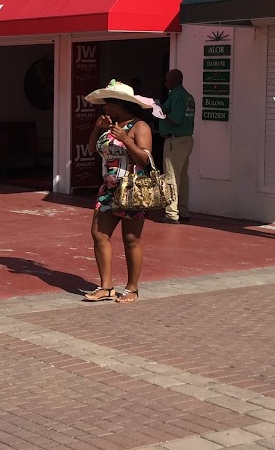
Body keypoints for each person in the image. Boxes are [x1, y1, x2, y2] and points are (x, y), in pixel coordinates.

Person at [82, 80, 156, 304]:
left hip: (133, 189)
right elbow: (92, 148)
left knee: (131, 238)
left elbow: (145, 158)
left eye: (107, 103)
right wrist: (97, 128)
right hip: (109, 188)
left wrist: (125, 139)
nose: (104, 107)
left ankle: (132, 288)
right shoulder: (109, 125)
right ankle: (106, 286)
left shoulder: (139, 127)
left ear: (119, 104)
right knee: (99, 234)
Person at [158, 69, 195, 224]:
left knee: (171, 176)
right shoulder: (187, 96)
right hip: (186, 139)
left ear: (173, 81)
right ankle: (183, 210)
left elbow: (175, 119)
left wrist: (159, 114)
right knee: (183, 177)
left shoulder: (177, 96)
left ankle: (171, 214)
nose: (165, 83)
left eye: (167, 80)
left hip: (175, 140)